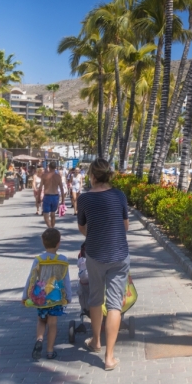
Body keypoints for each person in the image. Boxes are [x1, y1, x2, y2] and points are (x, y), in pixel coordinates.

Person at [77, 158, 129, 371]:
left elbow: (82, 227)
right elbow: (125, 226)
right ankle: (109, 358)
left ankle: (96, 342)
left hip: (95, 254)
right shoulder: (119, 195)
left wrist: (95, 234)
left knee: (95, 298)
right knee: (115, 304)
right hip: (119, 253)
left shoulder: (84, 199)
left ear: (92, 175)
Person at [21, 228, 72, 361]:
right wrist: (69, 296)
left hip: (41, 296)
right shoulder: (63, 260)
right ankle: (50, 351)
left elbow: (31, 278)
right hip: (56, 296)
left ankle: (39, 339)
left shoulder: (38, 259)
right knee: (53, 324)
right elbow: (66, 280)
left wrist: (25, 296)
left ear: (43, 243)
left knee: (41, 320)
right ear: (59, 243)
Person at [40, 162, 65, 229]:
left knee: (46, 214)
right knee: (53, 213)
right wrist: (63, 199)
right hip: (55, 196)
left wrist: (38, 198)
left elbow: (40, 188)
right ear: (55, 167)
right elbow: (62, 189)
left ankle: (50, 228)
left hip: (47, 196)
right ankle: (52, 228)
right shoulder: (58, 176)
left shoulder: (44, 176)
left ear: (49, 167)